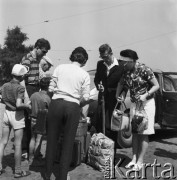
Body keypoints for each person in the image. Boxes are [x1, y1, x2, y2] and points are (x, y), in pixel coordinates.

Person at [45, 47, 90, 180]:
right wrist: (77, 104)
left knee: (52, 141)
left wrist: (55, 100)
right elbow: (86, 98)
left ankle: (47, 175)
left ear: (72, 57)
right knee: (68, 143)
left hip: (56, 103)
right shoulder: (84, 74)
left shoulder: (59, 68)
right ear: (84, 60)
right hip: (72, 106)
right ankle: (62, 176)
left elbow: (50, 89)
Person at [116, 49, 159, 171]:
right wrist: (119, 94)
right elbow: (121, 84)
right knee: (135, 132)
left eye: (124, 61)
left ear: (132, 61)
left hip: (147, 104)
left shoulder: (145, 69)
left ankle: (140, 161)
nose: (122, 64)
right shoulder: (126, 71)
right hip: (135, 104)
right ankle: (134, 159)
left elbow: (156, 85)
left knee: (144, 133)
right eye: (121, 61)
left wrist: (146, 95)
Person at [21, 38, 51, 159]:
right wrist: (26, 97)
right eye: (43, 51)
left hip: (34, 88)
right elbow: (22, 79)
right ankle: (24, 149)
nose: (44, 54)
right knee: (26, 120)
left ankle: (31, 149)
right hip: (28, 89)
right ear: (37, 48)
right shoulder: (27, 59)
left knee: (33, 120)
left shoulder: (37, 60)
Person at [0, 64, 31, 178]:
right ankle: (18, 171)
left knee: (3, 142)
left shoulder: (4, 85)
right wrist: (27, 106)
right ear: (22, 76)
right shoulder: (20, 88)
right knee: (18, 144)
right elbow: (18, 104)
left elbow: (3, 100)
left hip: (6, 114)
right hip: (17, 116)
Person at [94, 44, 124, 141]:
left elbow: (125, 84)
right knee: (100, 125)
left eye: (106, 57)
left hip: (115, 101)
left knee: (112, 127)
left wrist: (122, 94)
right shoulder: (100, 64)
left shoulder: (121, 66)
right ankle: (102, 152)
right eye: (102, 57)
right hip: (102, 99)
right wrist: (98, 85)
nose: (104, 59)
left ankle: (112, 153)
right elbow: (97, 79)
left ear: (111, 53)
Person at [28, 77, 51, 166]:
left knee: (32, 138)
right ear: (48, 86)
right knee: (39, 140)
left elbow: (28, 105)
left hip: (33, 118)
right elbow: (50, 110)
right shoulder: (47, 98)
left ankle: (30, 158)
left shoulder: (34, 95)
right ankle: (36, 158)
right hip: (41, 120)